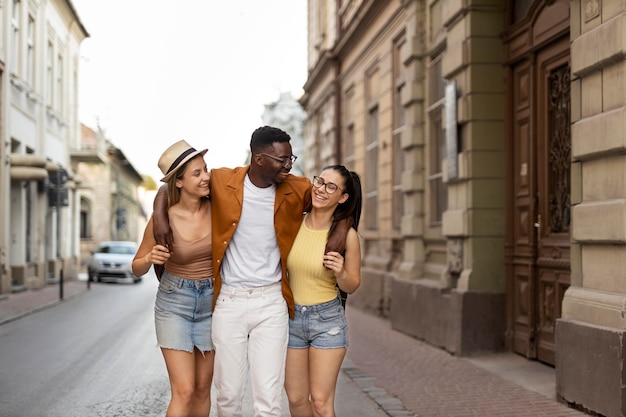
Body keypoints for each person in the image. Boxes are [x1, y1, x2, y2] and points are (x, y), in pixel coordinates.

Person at [153, 126, 317, 417]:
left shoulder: (297, 187)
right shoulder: (222, 181)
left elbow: (337, 200)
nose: (289, 165)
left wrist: (342, 230)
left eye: (291, 158)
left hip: (272, 303)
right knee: (228, 396)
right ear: (259, 159)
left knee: (268, 398)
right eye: (282, 160)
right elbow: (173, 185)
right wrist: (160, 218)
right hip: (229, 302)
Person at [132, 140, 215, 417]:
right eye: (196, 173)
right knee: (184, 390)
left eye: (206, 170)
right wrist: (149, 259)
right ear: (178, 182)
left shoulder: (219, 207)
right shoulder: (162, 220)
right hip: (174, 304)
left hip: (212, 304)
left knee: (204, 389)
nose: (206, 177)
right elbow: (136, 267)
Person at [284, 165, 363, 417]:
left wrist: (340, 272)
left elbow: (352, 284)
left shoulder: (347, 236)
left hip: (327, 321)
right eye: (320, 181)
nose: (321, 189)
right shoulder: (294, 223)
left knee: (320, 402)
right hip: (291, 319)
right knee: (296, 399)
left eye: (331, 186)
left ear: (342, 198)